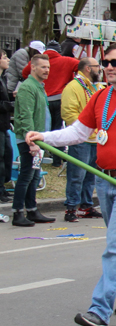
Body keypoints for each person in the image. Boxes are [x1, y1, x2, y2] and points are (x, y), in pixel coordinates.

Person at [25, 42, 116, 326]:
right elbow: (77, 133)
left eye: (115, 62)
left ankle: (99, 310)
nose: (107, 67)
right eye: (105, 62)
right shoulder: (101, 97)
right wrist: (44, 135)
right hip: (104, 180)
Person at [11, 54, 56, 226]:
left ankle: (32, 210)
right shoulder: (27, 87)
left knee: (35, 174)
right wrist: (31, 141)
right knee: (26, 175)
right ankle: (17, 213)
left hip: (38, 138)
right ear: (33, 67)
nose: (47, 70)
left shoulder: (39, 87)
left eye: (48, 67)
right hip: (29, 139)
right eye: (43, 67)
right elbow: (25, 116)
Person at [60, 56, 104, 222]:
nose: (100, 70)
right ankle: (71, 207)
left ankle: (86, 206)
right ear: (88, 68)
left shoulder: (94, 87)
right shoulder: (73, 87)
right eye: (97, 66)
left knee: (90, 176)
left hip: (95, 139)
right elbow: (68, 113)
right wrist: (85, 128)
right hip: (81, 139)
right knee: (76, 175)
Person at [0, 50, 13, 203]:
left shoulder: (3, 78)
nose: (8, 59)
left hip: (4, 124)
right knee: (1, 158)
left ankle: (3, 187)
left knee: (7, 155)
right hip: (1, 123)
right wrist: (10, 105)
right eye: (4, 57)